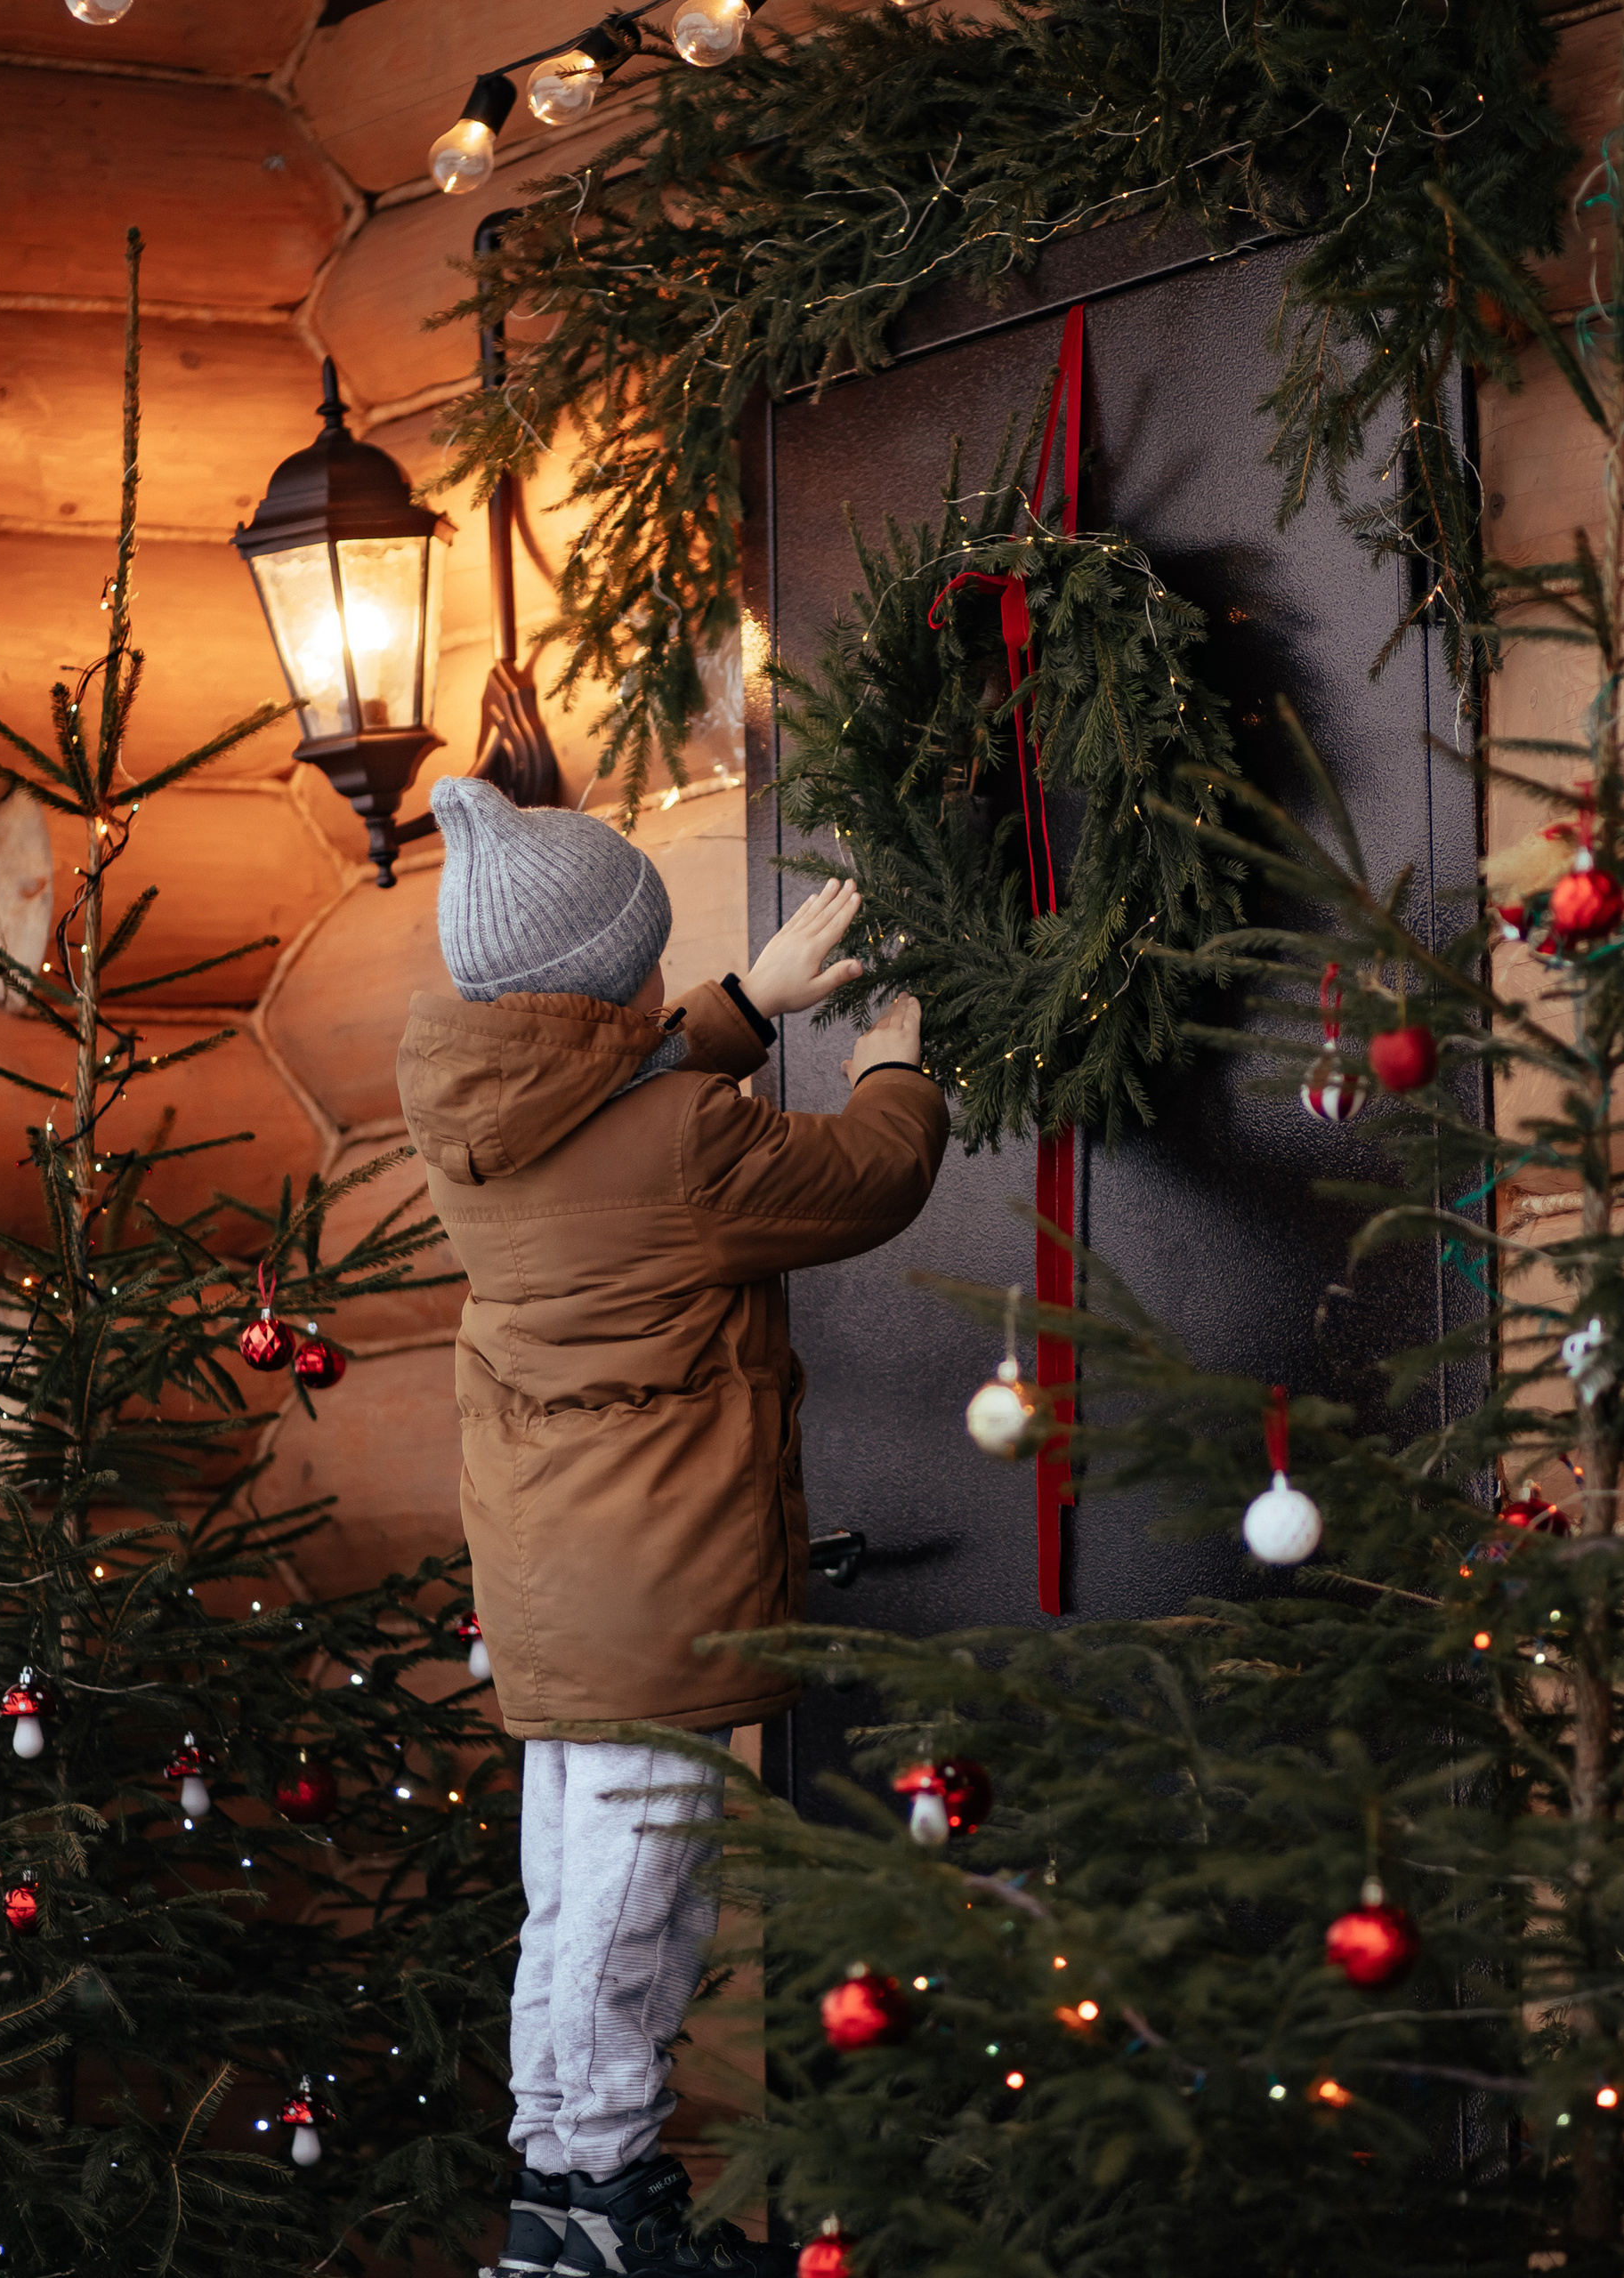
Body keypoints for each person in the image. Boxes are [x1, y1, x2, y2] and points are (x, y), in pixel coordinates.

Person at [396, 776, 948, 2278]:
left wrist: (741, 1008)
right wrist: (897, 1066)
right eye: (649, 964)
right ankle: (605, 2200)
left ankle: (558, 2191)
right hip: (652, 1590)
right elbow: (870, 1176)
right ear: (607, 985)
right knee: (638, 1902)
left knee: (574, 1892)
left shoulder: (476, 1130)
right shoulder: (693, 1145)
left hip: (559, 1586)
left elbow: (609, 1105)